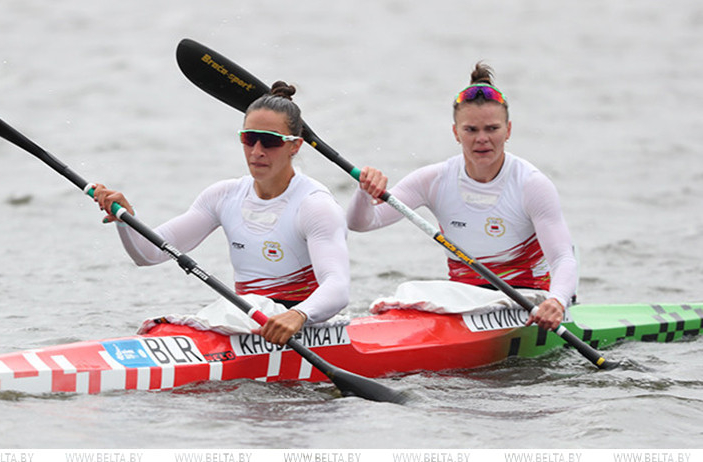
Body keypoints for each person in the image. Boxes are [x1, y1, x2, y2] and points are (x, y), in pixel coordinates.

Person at [93, 82, 350, 345]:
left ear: (295, 146)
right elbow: (149, 254)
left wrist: (299, 314)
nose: (257, 151)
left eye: (271, 141)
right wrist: (125, 219)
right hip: (249, 320)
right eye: (249, 139)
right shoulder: (223, 196)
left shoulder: (315, 205)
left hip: (306, 327)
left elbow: (338, 286)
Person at [347, 62, 577, 331]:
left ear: (508, 130)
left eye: (492, 129)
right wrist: (364, 192)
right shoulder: (433, 180)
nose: (482, 139)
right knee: (407, 290)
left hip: (527, 300)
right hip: (464, 300)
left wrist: (557, 301)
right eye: (471, 130)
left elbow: (563, 258)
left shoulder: (532, 184)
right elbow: (362, 223)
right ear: (456, 132)